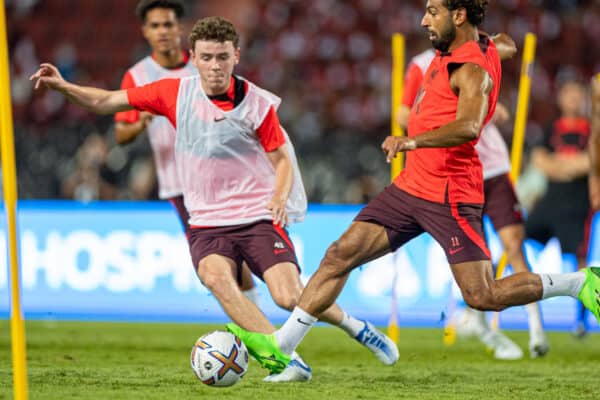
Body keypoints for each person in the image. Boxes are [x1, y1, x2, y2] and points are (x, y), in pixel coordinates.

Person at [226, 0, 600, 374]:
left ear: (458, 15)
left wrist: (412, 141)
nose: (423, 21)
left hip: (449, 193)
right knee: (341, 253)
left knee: (482, 295)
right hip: (411, 187)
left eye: (433, 11)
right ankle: (284, 348)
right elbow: (507, 44)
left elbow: (469, 127)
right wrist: (492, 43)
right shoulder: (469, 48)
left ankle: (577, 283)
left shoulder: (471, 70)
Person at [30, 16, 398, 381]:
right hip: (206, 220)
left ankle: (355, 327)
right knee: (217, 278)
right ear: (193, 57)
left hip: (256, 215)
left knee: (289, 296)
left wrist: (280, 197)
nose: (215, 66)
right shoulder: (173, 93)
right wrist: (63, 86)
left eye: (222, 57)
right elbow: (108, 100)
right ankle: (284, 362)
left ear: (236, 56)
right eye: (206, 57)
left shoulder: (256, 104)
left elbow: (282, 159)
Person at [397, 45, 548, 360]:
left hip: (494, 170)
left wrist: (489, 106)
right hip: (457, 175)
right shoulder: (421, 65)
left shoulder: (479, 52)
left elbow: (508, 47)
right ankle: (481, 324)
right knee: (479, 258)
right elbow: (402, 112)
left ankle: (536, 330)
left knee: (514, 247)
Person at [115, 0, 259, 300]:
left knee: (233, 259)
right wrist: (140, 122)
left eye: (168, 24)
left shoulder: (203, 66)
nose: (163, 31)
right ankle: (255, 333)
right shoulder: (138, 76)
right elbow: (121, 134)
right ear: (145, 31)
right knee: (219, 263)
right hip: (181, 185)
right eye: (155, 26)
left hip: (223, 176)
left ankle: (256, 333)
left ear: (180, 28)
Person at [525, 80, 592, 338]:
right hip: (549, 203)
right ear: (561, 98)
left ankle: (581, 321)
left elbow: (590, 163)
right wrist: (572, 166)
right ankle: (482, 302)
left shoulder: (592, 130)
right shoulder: (550, 128)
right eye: (569, 94)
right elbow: (540, 160)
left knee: (580, 264)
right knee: (516, 242)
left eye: (578, 95)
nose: (573, 100)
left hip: (577, 207)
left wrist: (561, 165)